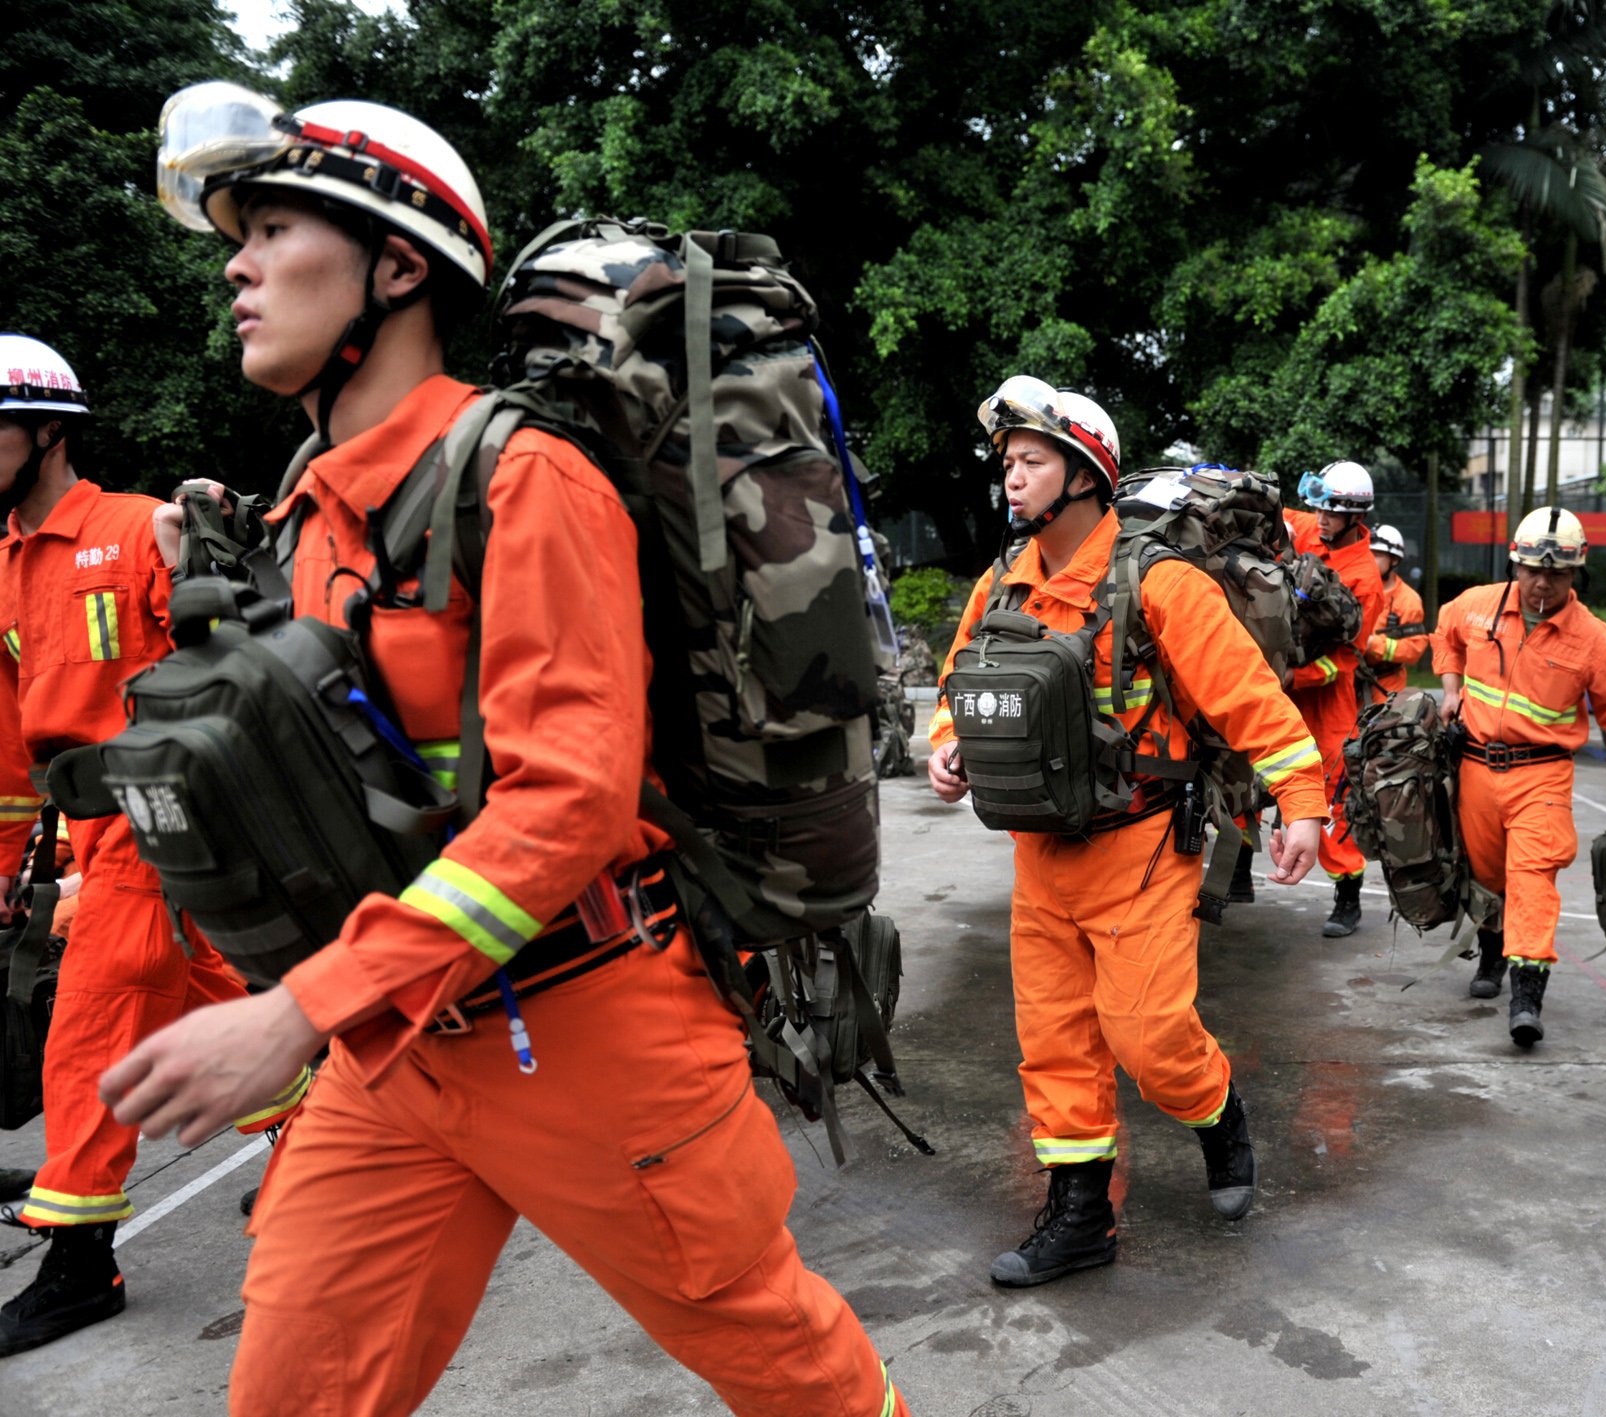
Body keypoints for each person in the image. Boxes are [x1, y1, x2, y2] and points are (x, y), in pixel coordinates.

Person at [101, 89, 905, 1415]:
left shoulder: (522, 478)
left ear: (397, 264)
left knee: (789, 1367)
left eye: (275, 226)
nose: (237, 265)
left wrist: (296, 1012)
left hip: (592, 1028)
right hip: (398, 1048)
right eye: (234, 237)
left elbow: (568, 804)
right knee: (290, 1392)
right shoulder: (305, 514)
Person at [927, 376, 1327, 1285]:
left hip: (1140, 845)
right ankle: (1078, 1218)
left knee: (1146, 1036)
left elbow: (1247, 698)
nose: (1012, 480)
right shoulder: (1004, 582)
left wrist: (1300, 800)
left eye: (1030, 462)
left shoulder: (1158, 582)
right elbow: (960, 687)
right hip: (1039, 851)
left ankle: (1217, 1113)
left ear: (1084, 472)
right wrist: (947, 748)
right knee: (1055, 1039)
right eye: (1008, 464)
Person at [0, 334, 309, 1358]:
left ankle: (81, 1262)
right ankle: (326, 1131)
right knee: (208, 990)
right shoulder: (3, 568)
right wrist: (13, 877)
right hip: (91, 833)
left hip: (167, 819)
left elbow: (230, 664)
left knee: (91, 1029)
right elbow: (11, 749)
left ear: (46, 433)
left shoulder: (138, 530)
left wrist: (209, 555)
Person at [1433, 507, 1606, 1046]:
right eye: (1532, 570)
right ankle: (1492, 953)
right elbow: (1443, 630)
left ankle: (1527, 997)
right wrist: (1450, 688)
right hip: (1473, 769)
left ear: (1574, 574)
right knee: (1489, 874)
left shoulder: (1590, 638)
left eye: (1556, 574)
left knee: (1533, 879)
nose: (1542, 582)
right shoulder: (1477, 607)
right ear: (1515, 564)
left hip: (1540, 778)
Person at [1281, 462, 1384, 937]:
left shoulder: (1365, 578)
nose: (1319, 519)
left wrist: (1290, 677)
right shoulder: (1310, 530)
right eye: (1318, 509)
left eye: (1330, 513)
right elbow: (1274, 515)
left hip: (1326, 701)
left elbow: (1343, 661)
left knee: (1331, 798)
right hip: (1282, 687)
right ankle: (1236, 872)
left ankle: (1348, 896)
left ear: (1354, 517)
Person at [1358, 525, 1429, 704]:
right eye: (1367, 554)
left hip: (1387, 687)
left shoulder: (1407, 600)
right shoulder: (1353, 588)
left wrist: (1373, 645)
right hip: (1350, 684)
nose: (1370, 560)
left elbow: (1414, 649)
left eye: (1377, 555)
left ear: (1394, 560)